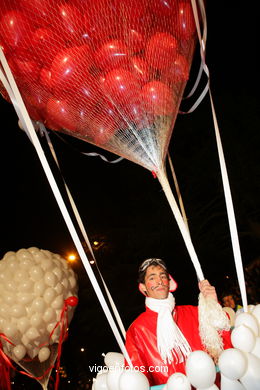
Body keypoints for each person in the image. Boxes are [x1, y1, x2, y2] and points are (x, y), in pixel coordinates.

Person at [125, 258, 232, 386]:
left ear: (170, 283)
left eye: (163, 276)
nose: (159, 281)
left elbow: (224, 344)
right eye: (152, 278)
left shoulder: (194, 313)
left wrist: (212, 304)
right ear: (143, 288)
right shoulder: (137, 329)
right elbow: (137, 378)